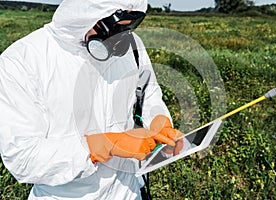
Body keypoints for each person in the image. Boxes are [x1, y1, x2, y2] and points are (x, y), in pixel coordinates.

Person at [0, 0, 182, 199]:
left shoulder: (131, 44)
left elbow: (148, 92)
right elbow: (22, 158)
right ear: (86, 12)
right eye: (114, 27)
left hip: (129, 191)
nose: (119, 38)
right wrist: (102, 146)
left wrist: (159, 120)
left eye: (128, 27)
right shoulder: (21, 61)